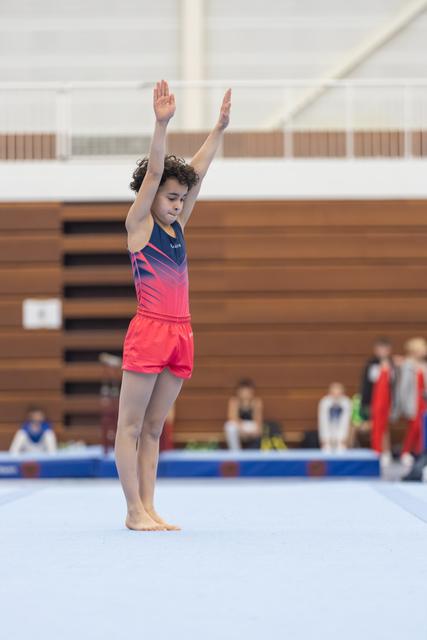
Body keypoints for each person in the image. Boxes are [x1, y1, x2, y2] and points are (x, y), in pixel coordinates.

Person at [115, 80, 231, 531]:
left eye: (182, 198)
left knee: (153, 428)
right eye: (171, 196)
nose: (178, 204)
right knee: (129, 425)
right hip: (149, 331)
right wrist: (160, 125)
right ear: (152, 195)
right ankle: (131, 511)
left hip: (181, 332)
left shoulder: (177, 224)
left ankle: (148, 506)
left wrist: (218, 130)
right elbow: (155, 174)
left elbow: (196, 172)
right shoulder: (139, 224)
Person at [360, 337, 396, 464]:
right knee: (375, 426)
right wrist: (365, 403)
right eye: (380, 349)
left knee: (384, 427)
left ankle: (386, 451)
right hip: (374, 400)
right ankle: (377, 450)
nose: (383, 351)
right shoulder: (371, 364)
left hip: (387, 400)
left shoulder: (392, 363)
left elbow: (393, 385)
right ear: (376, 350)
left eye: (386, 349)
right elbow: (366, 384)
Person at [394, 337, 427, 468]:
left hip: (423, 400)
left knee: (422, 428)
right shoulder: (407, 364)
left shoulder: (424, 365)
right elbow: (403, 386)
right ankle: (405, 452)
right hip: (412, 401)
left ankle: (419, 452)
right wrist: (402, 404)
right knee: (414, 427)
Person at [224, 379, 263, 450]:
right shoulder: (234, 401)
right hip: (239, 426)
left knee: (258, 429)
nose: (245, 394)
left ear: (252, 392)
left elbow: (258, 420)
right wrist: (241, 429)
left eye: (247, 391)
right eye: (243, 391)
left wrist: (257, 430)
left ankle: (253, 452)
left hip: (251, 427)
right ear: (238, 392)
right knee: (229, 426)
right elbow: (232, 417)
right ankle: (235, 452)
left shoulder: (256, 402)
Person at [317, 383, 352, 452]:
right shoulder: (324, 402)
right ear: (330, 392)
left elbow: (346, 422)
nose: (336, 394)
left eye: (339, 392)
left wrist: (343, 439)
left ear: (342, 392)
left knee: (342, 450)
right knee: (326, 450)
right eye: (334, 392)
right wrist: (325, 439)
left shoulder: (346, 402)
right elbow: (323, 422)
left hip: (341, 435)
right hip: (328, 434)